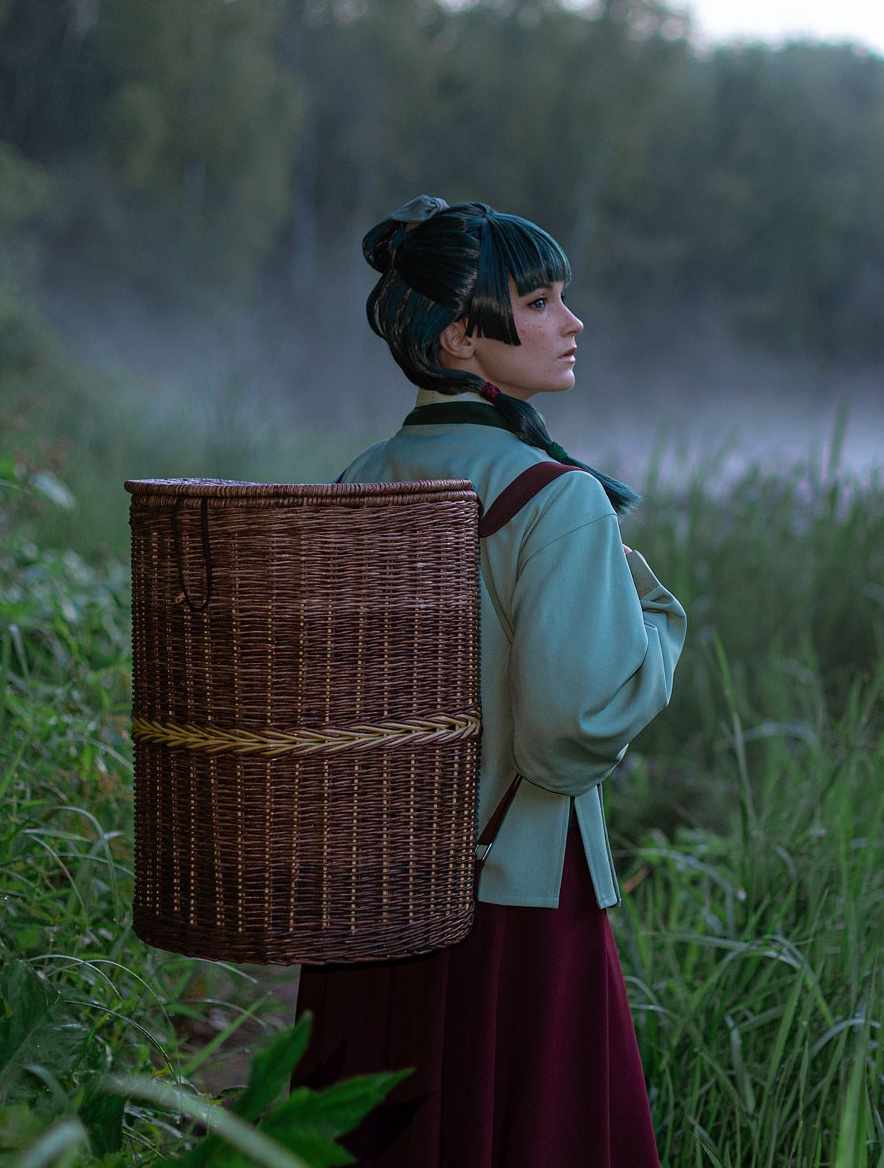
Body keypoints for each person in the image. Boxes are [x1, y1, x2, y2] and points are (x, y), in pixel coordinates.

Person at [296, 195, 686, 1167]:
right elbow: (569, 728)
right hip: (513, 900)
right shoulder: (556, 502)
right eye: (542, 300)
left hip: (372, 891)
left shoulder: (355, 479)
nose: (572, 321)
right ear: (463, 339)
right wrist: (659, 632)